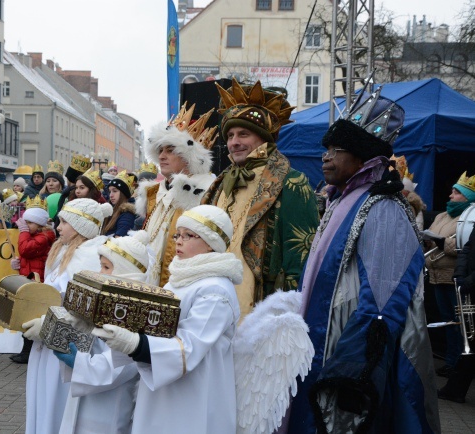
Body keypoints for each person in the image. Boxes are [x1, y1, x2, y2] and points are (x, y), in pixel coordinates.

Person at [288, 87, 440, 433]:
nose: (325, 157)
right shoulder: (342, 200)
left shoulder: (383, 206)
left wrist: (354, 365)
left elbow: (386, 298)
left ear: (361, 157)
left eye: (336, 150)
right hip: (319, 346)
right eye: (326, 149)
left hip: (347, 355)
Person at [93, 205, 242, 434]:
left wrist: (137, 345)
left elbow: (190, 346)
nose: (178, 241)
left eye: (188, 235)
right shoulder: (181, 278)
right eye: (177, 235)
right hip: (163, 387)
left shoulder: (216, 290)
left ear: (211, 242)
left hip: (195, 393)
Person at [201, 79, 319, 317]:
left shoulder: (291, 182)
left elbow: (302, 257)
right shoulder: (220, 182)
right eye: (231, 135)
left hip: (259, 306)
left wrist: (289, 313)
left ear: (263, 138)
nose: (234, 142)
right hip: (211, 300)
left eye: (243, 134)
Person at [21, 198, 111, 434]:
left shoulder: (89, 257)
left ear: (82, 226)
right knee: (42, 398)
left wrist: (49, 323)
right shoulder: (62, 250)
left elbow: (78, 307)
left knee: (56, 400)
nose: (58, 227)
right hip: (47, 337)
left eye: (64, 222)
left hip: (65, 341)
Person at [56, 231, 151, 434]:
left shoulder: (137, 313)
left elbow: (123, 367)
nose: (100, 272)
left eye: (106, 267)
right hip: (87, 390)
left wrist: (80, 363)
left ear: (126, 272)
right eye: (101, 266)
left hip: (110, 404)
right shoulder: (107, 303)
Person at [136, 102, 218, 286]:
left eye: (170, 150)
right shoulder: (155, 193)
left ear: (190, 155)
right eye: (160, 150)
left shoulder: (209, 192)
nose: (162, 156)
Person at [425, 171, 475, 378]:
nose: (450, 196)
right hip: (437, 275)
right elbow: (431, 234)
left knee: (457, 324)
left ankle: (456, 364)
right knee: (446, 322)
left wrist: (440, 243)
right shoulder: (442, 215)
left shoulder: (470, 217)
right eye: (452, 192)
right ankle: (450, 360)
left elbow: (466, 246)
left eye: (456, 193)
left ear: (468, 197)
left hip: (454, 277)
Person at [10, 200, 57, 365]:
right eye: (26, 222)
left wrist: (22, 233)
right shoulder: (35, 236)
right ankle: (26, 350)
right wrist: (18, 264)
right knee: (25, 315)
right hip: (29, 278)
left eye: (29, 222)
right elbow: (26, 256)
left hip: (38, 281)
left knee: (31, 315)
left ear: (39, 223)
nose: (26, 226)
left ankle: (29, 352)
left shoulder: (44, 237)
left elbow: (25, 249)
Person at [439, 199, 475, 403]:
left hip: (472, 283)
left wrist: (469, 280)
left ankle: (455, 389)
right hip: (469, 284)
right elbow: (467, 247)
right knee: (470, 342)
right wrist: (459, 272)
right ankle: (455, 390)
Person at [101, 170, 136, 237]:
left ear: (123, 193)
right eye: (110, 191)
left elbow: (118, 239)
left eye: (114, 191)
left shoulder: (127, 215)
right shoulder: (110, 210)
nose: (111, 195)